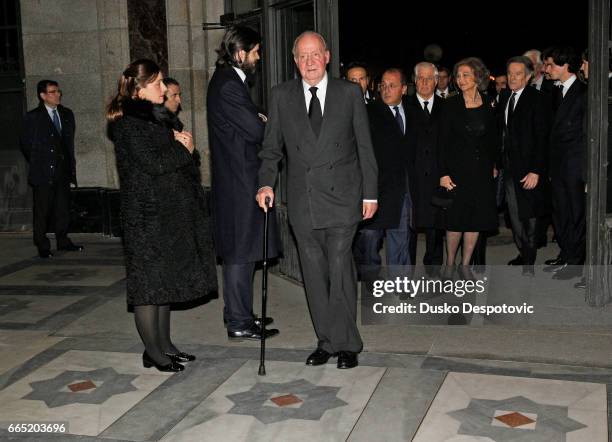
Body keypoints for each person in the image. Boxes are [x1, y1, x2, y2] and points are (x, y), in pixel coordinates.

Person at [256, 31, 377, 369]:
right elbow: (270, 149)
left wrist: (370, 193)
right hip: (303, 201)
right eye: (302, 56)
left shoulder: (349, 93)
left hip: (343, 198)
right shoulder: (282, 96)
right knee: (313, 274)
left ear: (326, 56)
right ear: (295, 61)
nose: (309, 62)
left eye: (315, 55)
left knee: (339, 270)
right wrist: (266, 183)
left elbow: (365, 147)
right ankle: (326, 340)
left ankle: (348, 343)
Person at [107, 59, 217, 372]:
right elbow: (154, 164)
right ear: (139, 90)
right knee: (147, 288)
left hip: (166, 213)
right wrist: (182, 149)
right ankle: (153, 353)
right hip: (145, 217)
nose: (164, 89)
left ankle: (165, 345)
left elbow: (180, 159)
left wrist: (186, 148)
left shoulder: (159, 118)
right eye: (157, 84)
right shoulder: (128, 123)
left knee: (164, 283)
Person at [207, 25, 280, 341]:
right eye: (256, 51)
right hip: (239, 183)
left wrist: (261, 119)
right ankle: (238, 321)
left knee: (247, 250)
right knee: (239, 253)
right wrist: (263, 121)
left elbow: (254, 121)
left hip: (240, 179)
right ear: (239, 53)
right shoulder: (227, 86)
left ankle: (242, 313)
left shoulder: (231, 82)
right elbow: (257, 130)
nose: (259, 57)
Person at [438, 57, 499, 273]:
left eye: (466, 75)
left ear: (478, 77)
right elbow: (442, 142)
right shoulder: (450, 104)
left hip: (481, 172)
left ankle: (465, 265)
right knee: (456, 220)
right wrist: (443, 173)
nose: (460, 79)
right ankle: (449, 263)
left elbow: (492, 139)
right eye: (458, 75)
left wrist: (493, 164)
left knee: (475, 219)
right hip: (457, 172)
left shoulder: (488, 102)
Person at [353, 68, 415, 269]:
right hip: (376, 188)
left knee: (400, 236)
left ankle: (401, 283)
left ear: (404, 89)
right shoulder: (369, 111)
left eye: (392, 86)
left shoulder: (413, 111)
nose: (386, 90)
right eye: (383, 86)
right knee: (370, 238)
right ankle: (369, 276)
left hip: (402, 188)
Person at [498, 56, 551, 276]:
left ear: (528, 76)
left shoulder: (537, 99)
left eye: (518, 73)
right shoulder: (504, 97)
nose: (512, 77)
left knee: (529, 217)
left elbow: (542, 138)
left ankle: (529, 261)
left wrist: (536, 170)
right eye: (510, 73)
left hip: (529, 169)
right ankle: (523, 252)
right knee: (514, 215)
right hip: (508, 168)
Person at [20, 80, 83, 258]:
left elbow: (67, 143)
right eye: (53, 92)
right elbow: (26, 144)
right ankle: (42, 245)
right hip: (43, 172)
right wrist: (39, 163)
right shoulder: (33, 117)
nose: (57, 95)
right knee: (42, 211)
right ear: (43, 96)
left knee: (62, 209)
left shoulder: (66, 114)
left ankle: (63, 241)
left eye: (58, 91)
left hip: (63, 171)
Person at [542, 46, 586, 280]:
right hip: (557, 164)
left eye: (550, 65)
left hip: (574, 164)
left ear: (565, 65)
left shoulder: (583, 92)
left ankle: (576, 262)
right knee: (560, 212)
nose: (546, 69)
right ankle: (566, 253)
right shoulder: (553, 91)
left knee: (575, 212)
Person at [405, 62, 445, 267]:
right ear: (414, 80)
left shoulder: (447, 108)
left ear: (437, 81)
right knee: (409, 228)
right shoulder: (403, 106)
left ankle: (434, 272)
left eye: (429, 78)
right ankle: (407, 273)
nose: (424, 82)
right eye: (420, 77)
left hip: (438, 178)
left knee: (436, 229)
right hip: (412, 178)